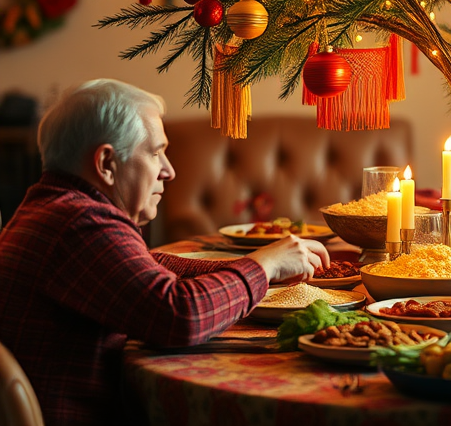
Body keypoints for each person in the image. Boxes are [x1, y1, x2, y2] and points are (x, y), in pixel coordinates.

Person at [0, 80, 329, 426]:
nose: (168, 170)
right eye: (156, 152)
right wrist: (263, 266)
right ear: (106, 163)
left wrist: (251, 265)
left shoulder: (52, 208)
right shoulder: (82, 223)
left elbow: (145, 264)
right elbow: (179, 315)